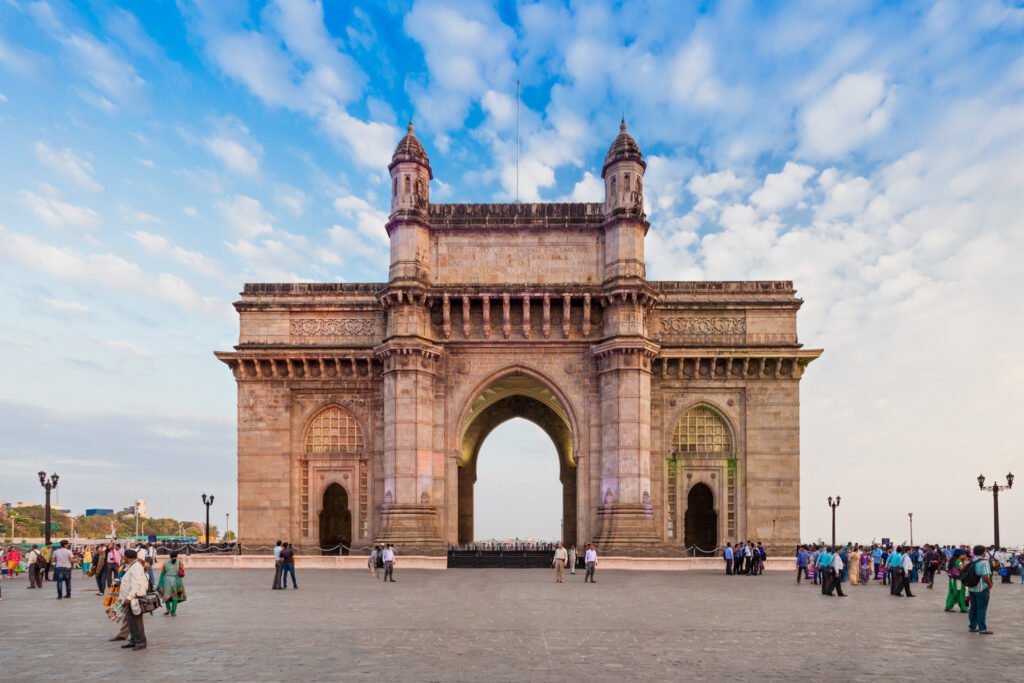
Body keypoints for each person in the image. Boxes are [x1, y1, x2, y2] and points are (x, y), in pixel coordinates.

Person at [118, 549, 148, 650]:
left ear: (128, 557)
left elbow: (136, 584)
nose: (123, 558)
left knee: (137, 622)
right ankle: (133, 640)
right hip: (129, 599)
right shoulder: (133, 565)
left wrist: (129, 597)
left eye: (124, 556)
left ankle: (140, 642)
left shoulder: (136, 566)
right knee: (131, 621)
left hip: (134, 598)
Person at [967, 544, 993, 634]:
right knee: (981, 608)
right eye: (985, 551)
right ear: (982, 552)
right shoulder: (984, 562)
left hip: (972, 587)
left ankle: (972, 626)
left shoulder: (972, 560)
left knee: (973, 608)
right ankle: (982, 628)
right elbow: (985, 575)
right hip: (981, 588)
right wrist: (990, 585)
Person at [158, 551, 186, 617]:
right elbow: (182, 572)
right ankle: (173, 612)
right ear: (177, 556)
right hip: (176, 581)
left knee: (166, 595)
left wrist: (160, 584)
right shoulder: (180, 563)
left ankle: (168, 609)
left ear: (169, 556)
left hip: (167, 580)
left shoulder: (165, 562)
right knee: (175, 597)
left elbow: (162, 572)